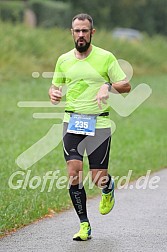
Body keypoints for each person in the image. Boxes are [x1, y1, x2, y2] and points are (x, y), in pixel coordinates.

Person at [49, 13, 131, 241]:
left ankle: (108, 187)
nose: (81, 34)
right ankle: (84, 224)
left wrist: (108, 86)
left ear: (92, 32)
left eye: (85, 30)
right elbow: (55, 86)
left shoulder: (106, 58)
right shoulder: (63, 60)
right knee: (74, 172)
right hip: (72, 122)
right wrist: (53, 93)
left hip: (100, 123)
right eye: (77, 31)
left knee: (98, 178)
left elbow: (126, 86)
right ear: (71, 32)